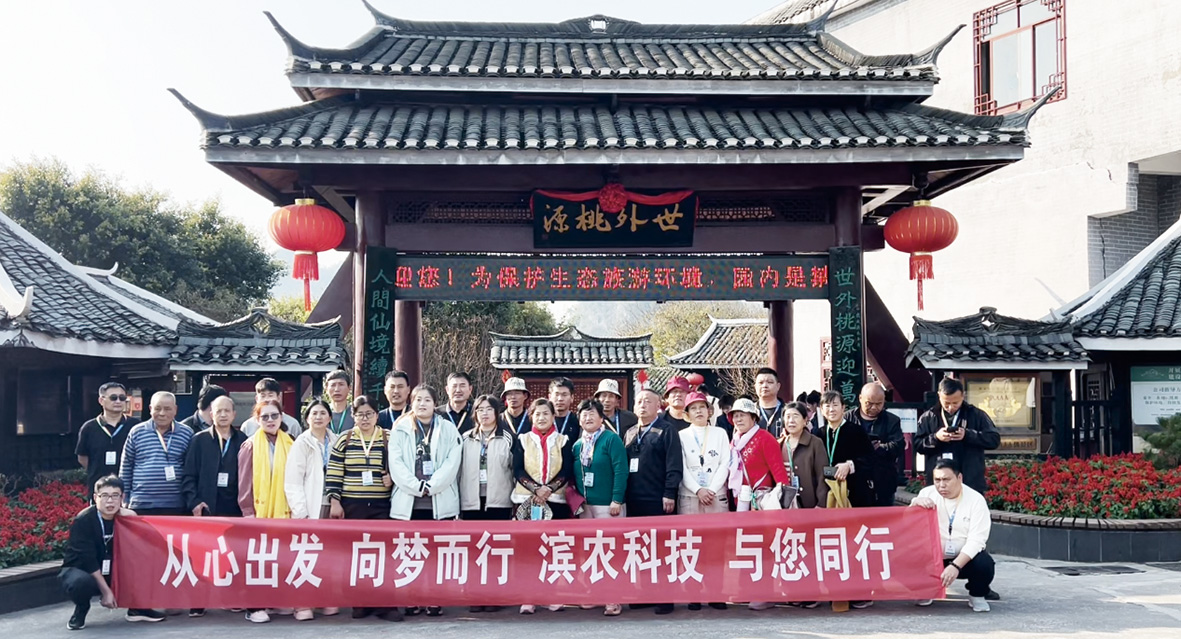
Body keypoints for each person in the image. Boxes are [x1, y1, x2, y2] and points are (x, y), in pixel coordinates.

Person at [388, 384, 463, 617]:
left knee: (436, 553)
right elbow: (396, 464)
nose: (422, 404)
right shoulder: (400, 428)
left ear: (435, 404)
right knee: (409, 552)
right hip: (408, 502)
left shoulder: (448, 428)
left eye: (427, 400)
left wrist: (431, 485)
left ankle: (434, 599)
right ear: (411, 403)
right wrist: (416, 486)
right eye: (418, 400)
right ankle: (411, 598)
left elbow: (452, 462)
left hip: (440, 501)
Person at [325, 396, 400, 622]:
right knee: (356, 555)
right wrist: (335, 501)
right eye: (360, 414)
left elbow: (401, 467)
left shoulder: (389, 437)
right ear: (353, 416)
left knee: (384, 555)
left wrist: (392, 478)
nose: (364, 418)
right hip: (353, 504)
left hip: (381, 505)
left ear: (377, 415)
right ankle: (360, 603)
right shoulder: (344, 439)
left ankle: (386, 605)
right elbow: (334, 472)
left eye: (369, 414)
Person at [61, 475, 164, 629]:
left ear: (122, 497)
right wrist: (106, 591)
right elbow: (88, 560)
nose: (110, 501)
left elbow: (140, 547)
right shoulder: (84, 520)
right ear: (95, 497)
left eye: (115, 496)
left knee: (147, 563)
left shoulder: (125, 518)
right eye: (105, 496)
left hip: (112, 566)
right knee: (81, 582)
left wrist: (133, 516)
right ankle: (81, 609)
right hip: (83, 568)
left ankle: (137, 608)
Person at [179, 395, 246, 618]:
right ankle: (199, 600)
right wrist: (194, 502)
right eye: (219, 411)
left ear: (234, 414)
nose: (223, 415)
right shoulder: (199, 441)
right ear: (211, 415)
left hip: (234, 506)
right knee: (202, 555)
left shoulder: (243, 440)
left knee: (233, 555)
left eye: (227, 411)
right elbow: (188, 475)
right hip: (207, 506)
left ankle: (232, 598)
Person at [622, 388, 681, 615]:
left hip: (659, 498)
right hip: (634, 499)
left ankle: (665, 597)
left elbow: (674, 464)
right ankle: (643, 594)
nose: (642, 405)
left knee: (662, 549)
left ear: (658, 406)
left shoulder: (667, 430)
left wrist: (669, 492)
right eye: (639, 401)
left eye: (648, 401)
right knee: (639, 548)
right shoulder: (629, 433)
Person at [815, 390, 876, 610]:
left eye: (835, 405)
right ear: (821, 410)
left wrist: (850, 465)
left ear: (844, 408)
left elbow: (870, 459)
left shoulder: (855, 431)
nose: (831, 409)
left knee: (855, 543)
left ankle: (860, 592)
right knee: (831, 544)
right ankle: (834, 590)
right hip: (826, 497)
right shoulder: (818, 434)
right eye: (827, 406)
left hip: (854, 495)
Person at [512, 398, 574, 615]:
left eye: (546, 413)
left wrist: (549, 489)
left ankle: (552, 595)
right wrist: (536, 489)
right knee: (528, 549)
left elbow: (567, 470)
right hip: (527, 501)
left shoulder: (563, 441)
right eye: (537, 414)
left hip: (555, 501)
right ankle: (528, 596)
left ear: (553, 416)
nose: (541, 418)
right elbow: (517, 469)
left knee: (553, 549)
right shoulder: (522, 440)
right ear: (531, 417)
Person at [237, 399, 296, 624]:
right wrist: (248, 511)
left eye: (274, 416)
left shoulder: (290, 442)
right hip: (258, 512)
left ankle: (275, 601)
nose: (270, 420)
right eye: (265, 417)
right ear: (257, 419)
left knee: (279, 558)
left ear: (282, 417)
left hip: (283, 511)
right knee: (258, 559)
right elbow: (244, 482)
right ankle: (254, 607)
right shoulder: (250, 445)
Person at [910, 458, 995, 613]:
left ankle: (977, 595)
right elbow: (908, 528)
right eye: (937, 480)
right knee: (908, 556)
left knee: (984, 563)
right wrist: (914, 504)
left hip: (963, 560)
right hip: (933, 557)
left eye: (946, 480)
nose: (941, 485)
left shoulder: (975, 500)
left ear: (959, 478)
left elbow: (977, 540)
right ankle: (926, 590)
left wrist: (955, 566)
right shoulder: (927, 493)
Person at [284, 399, 340, 621]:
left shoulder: (337, 441)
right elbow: (293, 480)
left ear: (329, 418)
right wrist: (301, 512)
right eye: (314, 413)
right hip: (309, 506)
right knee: (306, 555)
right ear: (307, 418)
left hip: (331, 505)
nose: (318, 417)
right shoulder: (302, 442)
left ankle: (326, 599)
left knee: (330, 555)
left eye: (322, 413)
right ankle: (302, 603)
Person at [572, 399, 628, 617]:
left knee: (611, 552)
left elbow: (621, 469)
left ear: (601, 418)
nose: (587, 418)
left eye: (592, 414)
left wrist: (617, 499)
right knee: (590, 552)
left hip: (608, 505)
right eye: (584, 415)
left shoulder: (611, 439)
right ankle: (592, 593)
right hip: (586, 507)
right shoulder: (578, 445)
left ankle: (613, 597)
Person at [677, 391, 729, 611]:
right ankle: (694, 593)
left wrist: (711, 489)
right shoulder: (681, 435)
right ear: (687, 413)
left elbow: (725, 463)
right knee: (691, 546)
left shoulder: (720, 433)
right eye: (693, 408)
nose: (698, 411)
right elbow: (681, 467)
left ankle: (716, 592)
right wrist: (698, 489)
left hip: (715, 495)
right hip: (690, 496)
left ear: (709, 411)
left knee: (716, 546)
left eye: (702, 407)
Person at [915, 378, 1001, 495]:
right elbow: (918, 444)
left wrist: (968, 435)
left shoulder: (976, 415)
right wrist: (936, 438)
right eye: (946, 403)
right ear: (939, 395)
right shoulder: (928, 417)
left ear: (963, 396)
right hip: (939, 483)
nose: (951, 407)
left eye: (955, 403)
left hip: (970, 481)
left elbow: (994, 440)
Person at [119, 392, 193, 515]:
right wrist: (124, 498)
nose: (162, 413)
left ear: (175, 410)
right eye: (157, 409)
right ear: (150, 409)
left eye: (167, 409)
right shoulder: (137, 432)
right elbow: (126, 466)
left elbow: (191, 469)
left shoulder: (186, 433)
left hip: (175, 504)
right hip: (141, 502)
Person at [727, 398, 790, 514]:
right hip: (740, 499)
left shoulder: (765, 438)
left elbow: (778, 470)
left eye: (742, 415)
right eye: (735, 416)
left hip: (762, 500)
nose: (738, 419)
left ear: (753, 417)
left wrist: (783, 500)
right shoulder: (734, 442)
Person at [845, 383, 904, 507]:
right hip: (854, 481)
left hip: (883, 480)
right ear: (860, 398)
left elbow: (898, 446)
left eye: (879, 404)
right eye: (869, 403)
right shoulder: (847, 418)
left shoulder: (892, 420)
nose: (874, 407)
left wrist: (879, 448)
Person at [460, 394, 516, 522]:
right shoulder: (465, 438)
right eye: (480, 410)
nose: (484, 413)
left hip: (499, 501)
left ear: (497, 412)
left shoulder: (507, 438)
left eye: (489, 409)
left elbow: (514, 470)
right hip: (470, 501)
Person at [76, 382, 134, 497]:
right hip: (99, 488)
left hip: (128, 488)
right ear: (101, 400)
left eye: (122, 398)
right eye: (113, 398)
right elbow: (82, 458)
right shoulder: (89, 428)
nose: (118, 401)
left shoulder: (135, 426)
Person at [780, 401, 829, 510]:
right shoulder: (779, 443)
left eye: (795, 416)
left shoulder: (815, 443)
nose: (791, 420)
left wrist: (821, 504)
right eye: (788, 416)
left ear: (805, 420)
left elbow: (822, 475)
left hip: (810, 505)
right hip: (784, 504)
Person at [753, 368, 788, 438]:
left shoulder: (788, 411)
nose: (764, 386)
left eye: (770, 382)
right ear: (755, 387)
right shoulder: (749, 411)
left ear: (778, 386)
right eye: (761, 383)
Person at [325, 369, 354, 435]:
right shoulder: (321, 413)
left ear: (349, 388)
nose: (337, 389)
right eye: (333, 385)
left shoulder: (356, 413)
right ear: (326, 389)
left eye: (341, 384)